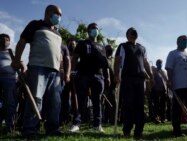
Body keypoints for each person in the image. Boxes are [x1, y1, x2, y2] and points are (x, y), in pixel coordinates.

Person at [11, 5, 63, 137]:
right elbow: (22, 42)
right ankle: (29, 129)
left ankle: (52, 129)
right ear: (48, 13)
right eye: (57, 14)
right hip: (38, 67)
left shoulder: (58, 32)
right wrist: (17, 60)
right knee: (36, 98)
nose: (59, 17)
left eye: (60, 15)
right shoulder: (35, 25)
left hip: (55, 71)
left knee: (54, 101)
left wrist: (61, 68)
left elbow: (59, 53)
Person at [69, 23, 110, 133]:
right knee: (81, 99)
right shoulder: (82, 43)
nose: (95, 30)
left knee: (97, 101)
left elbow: (105, 64)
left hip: (98, 75)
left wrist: (107, 77)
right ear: (88, 30)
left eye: (96, 28)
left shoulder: (101, 46)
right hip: (83, 74)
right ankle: (76, 124)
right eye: (93, 28)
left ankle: (97, 125)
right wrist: (73, 70)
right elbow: (75, 57)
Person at [114, 27, 154, 139]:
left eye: (135, 32)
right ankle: (127, 130)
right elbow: (118, 60)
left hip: (140, 80)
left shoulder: (142, 48)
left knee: (140, 105)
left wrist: (151, 75)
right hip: (127, 78)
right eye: (131, 32)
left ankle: (139, 131)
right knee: (128, 104)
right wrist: (116, 75)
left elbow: (146, 63)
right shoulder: (123, 46)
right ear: (127, 35)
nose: (133, 34)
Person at [0, 33, 25, 132]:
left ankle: (9, 126)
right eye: (2, 38)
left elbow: (23, 67)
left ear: (9, 42)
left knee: (10, 104)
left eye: (7, 39)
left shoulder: (12, 53)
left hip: (9, 80)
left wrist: (20, 81)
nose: (5, 40)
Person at [150, 59, 168, 124]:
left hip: (163, 90)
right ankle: (156, 118)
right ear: (156, 64)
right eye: (159, 63)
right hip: (155, 90)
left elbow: (166, 80)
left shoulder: (163, 72)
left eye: (161, 63)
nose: (160, 64)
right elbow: (151, 79)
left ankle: (163, 118)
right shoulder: (153, 70)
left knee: (163, 105)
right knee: (156, 105)